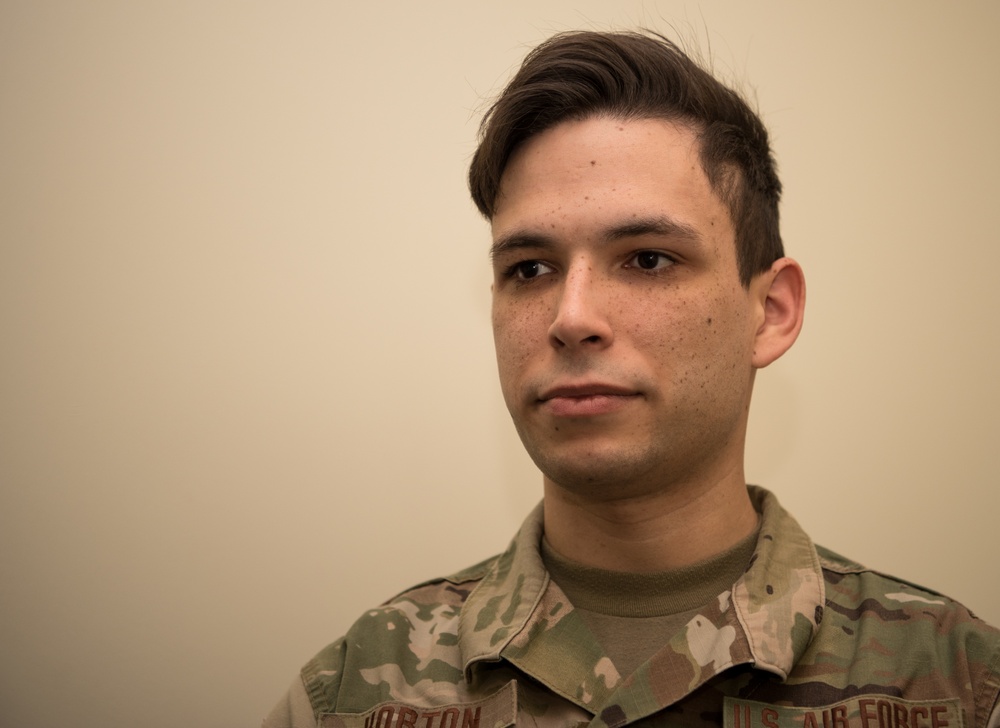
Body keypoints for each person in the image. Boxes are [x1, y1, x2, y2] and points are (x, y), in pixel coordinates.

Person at [263, 30, 1000, 728]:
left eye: (648, 258)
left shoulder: (957, 684)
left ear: (770, 312)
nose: (570, 316)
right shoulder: (354, 689)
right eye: (529, 269)